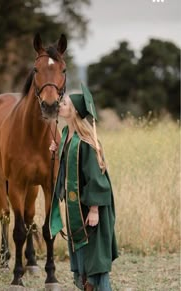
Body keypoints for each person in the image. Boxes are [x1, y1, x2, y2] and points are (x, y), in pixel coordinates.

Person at [49, 83, 118, 291]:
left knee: (94, 258)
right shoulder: (66, 135)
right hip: (76, 208)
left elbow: (96, 177)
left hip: (91, 208)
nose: (60, 105)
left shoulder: (87, 142)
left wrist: (95, 209)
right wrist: (56, 151)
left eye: (64, 103)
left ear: (74, 111)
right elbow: (68, 171)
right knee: (82, 255)